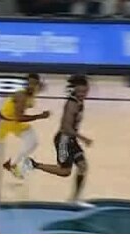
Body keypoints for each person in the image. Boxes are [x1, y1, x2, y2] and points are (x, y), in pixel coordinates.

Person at [26, 74, 93, 205]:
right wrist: (83, 138)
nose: (83, 94)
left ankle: (75, 199)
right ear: (74, 90)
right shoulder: (71, 105)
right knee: (65, 171)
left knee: (83, 167)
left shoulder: (80, 102)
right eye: (80, 91)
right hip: (63, 140)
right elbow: (66, 128)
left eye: (85, 91)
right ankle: (33, 164)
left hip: (71, 140)